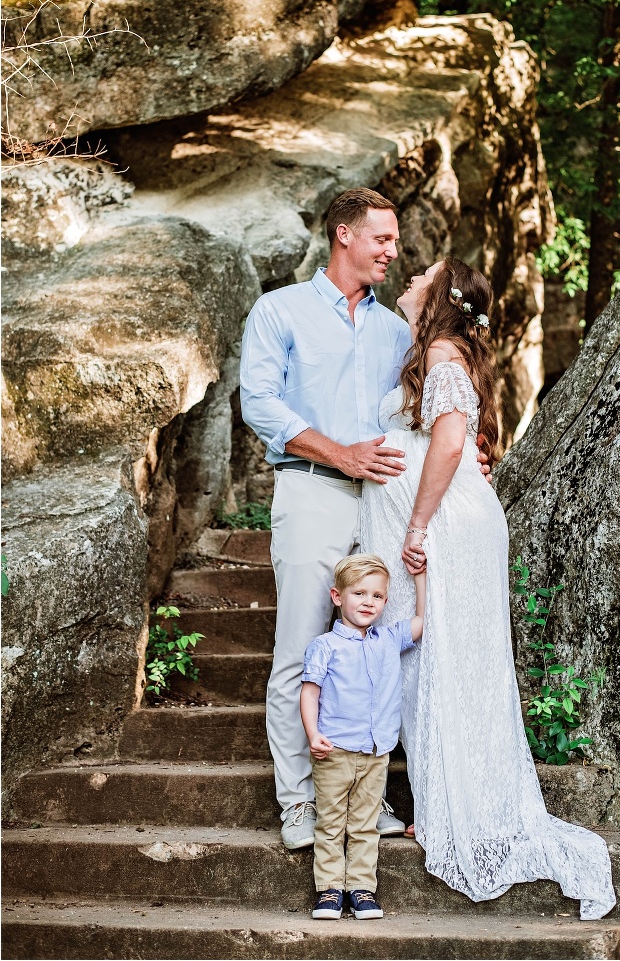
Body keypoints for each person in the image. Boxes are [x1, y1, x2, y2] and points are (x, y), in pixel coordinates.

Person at [360, 257, 617, 919]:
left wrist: (416, 525)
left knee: (441, 658)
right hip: (445, 521)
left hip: (440, 526)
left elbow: (449, 442)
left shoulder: (443, 353)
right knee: (441, 658)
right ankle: (449, 795)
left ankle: (459, 806)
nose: (410, 274)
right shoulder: (434, 349)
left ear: (441, 298)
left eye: (424, 273)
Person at [240, 187, 412, 848]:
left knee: (374, 654)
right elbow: (259, 402)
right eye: (382, 239)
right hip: (310, 490)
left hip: (380, 503)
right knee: (303, 652)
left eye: (394, 241)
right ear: (344, 235)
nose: (392, 251)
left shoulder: (396, 331)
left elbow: (418, 413)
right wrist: (339, 450)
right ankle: (299, 807)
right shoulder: (279, 311)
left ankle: (366, 801)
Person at [300, 554, 425, 920]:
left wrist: (420, 578)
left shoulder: (388, 639)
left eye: (377, 596)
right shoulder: (325, 646)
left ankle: (362, 890)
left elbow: (420, 621)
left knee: (364, 824)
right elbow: (310, 693)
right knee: (331, 821)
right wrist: (313, 734)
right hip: (334, 750)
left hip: (376, 751)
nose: (368, 602)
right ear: (338, 597)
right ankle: (329, 891)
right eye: (359, 593)